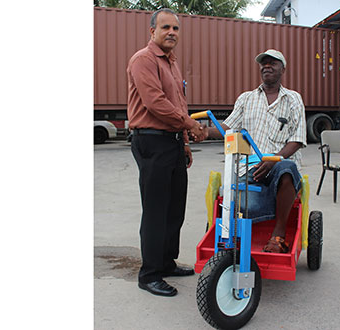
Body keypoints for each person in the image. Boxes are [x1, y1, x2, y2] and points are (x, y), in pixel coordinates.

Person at [127, 8, 208, 297]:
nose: (171, 32)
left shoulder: (172, 64)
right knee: (156, 210)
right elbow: (156, 104)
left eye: (176, 28)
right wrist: (192, 126)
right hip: (151, 141)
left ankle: (166, 262)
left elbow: (180, 105)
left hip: (172, 141)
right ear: (153, 32)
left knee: (175, 207)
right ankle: (149, 274)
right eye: (165, 28)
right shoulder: (143, 60)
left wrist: (185, 140)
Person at [208, 49, 307, 253]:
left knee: (286, 169)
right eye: (264, 63)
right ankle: (232, 237)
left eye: (273, 63)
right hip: (250, 167)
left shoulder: (293, 99)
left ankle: (278, 236)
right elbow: (228, 128)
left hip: (280, 164)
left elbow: (297, 139)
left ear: (283, 69)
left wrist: (273, 160)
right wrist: (203, 131)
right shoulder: (246, 99)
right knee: (246, 203)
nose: (267, 66)